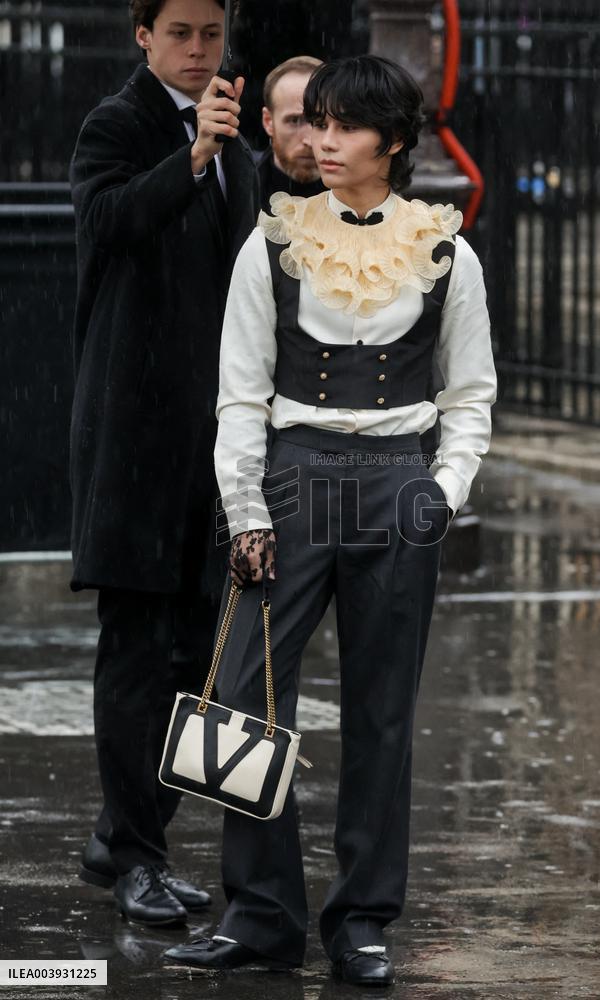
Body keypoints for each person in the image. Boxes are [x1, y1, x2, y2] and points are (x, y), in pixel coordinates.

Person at [165, 55, 496, 984]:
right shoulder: (272, 243)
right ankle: (261, 913)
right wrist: (244, 511)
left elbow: (469, 395)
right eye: (316, 122)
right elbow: (239, 395)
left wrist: (442, 490)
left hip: (399, 484)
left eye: (344, 125)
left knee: (382, 712)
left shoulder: (445, 252)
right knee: (242, 695)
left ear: (391, 140)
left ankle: (362, 921)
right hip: (289, 479)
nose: (322, 140)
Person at [69, 0, 259, 926]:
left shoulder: (238, 152)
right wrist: (188, 160)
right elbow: (108, 222)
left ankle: (127, 835)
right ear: (143, 34)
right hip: (134, 432)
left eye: (211, 34)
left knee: (198, 653)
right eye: (180, 33)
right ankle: (137, 856)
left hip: (210, 438)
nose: (198, 51)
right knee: (136, 647)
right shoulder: (118, 124)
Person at [255, 55, 326, 211]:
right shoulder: (237, 190)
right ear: (268, 121)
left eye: (321, 123)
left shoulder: (366, 194)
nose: (309, 141)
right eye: (294, 120)